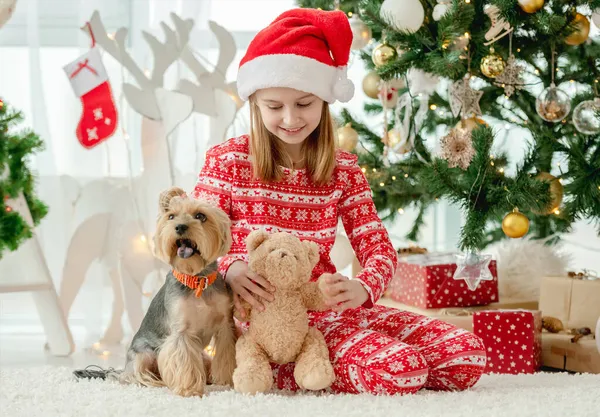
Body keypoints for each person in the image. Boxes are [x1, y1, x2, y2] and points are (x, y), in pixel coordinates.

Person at [191, 7, 486, 395]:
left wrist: (365, 287)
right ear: (255, 104)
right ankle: (280, 369)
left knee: (465, 355)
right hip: (266, 323)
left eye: (305, 103)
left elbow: (377, 246)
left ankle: (360, 354)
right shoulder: (227, 161)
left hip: (330, 306)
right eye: (275, 106)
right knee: (402, 371)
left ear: (325, 101)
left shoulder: (343, 169)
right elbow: (195, 241)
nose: (291, 118)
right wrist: (229, 268)